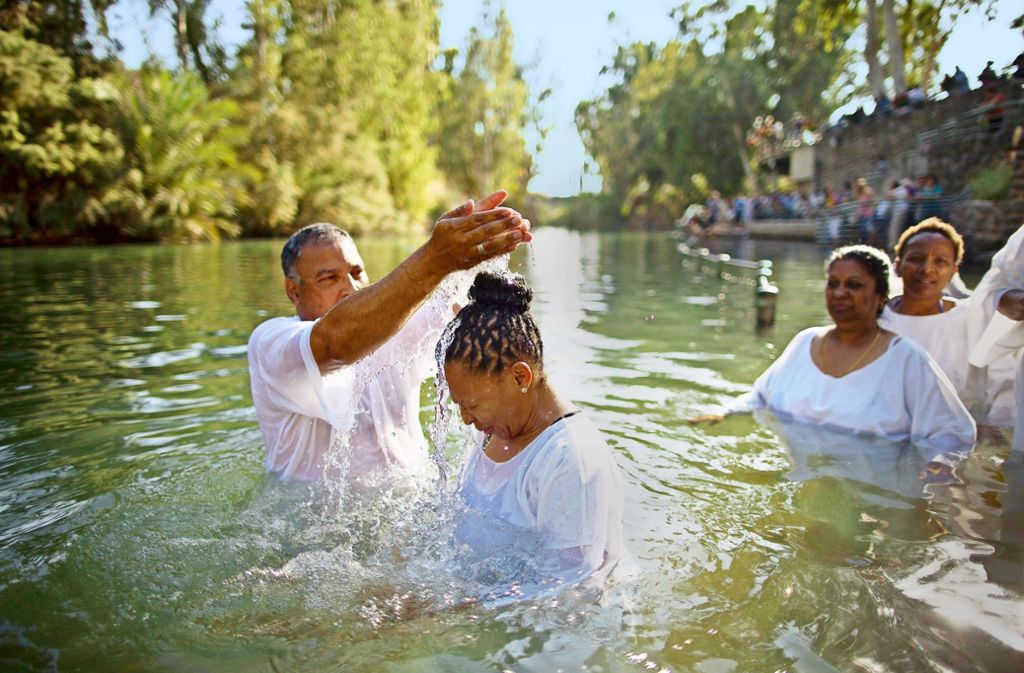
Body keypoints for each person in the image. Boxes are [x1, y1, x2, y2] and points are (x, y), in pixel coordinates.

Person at [247, 191, 532, 482]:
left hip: (413, 506)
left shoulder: (393, 323)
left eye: (357, 274)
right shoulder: (271, 344)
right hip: (304, 520)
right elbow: (335, 343)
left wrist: (471, 255)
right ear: (293, 291)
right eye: (329, 278)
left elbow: (458, 308)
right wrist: (435, 259)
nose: (350, 287)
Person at [693, 245, 976, 480]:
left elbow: (953, 433)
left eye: (854, 285)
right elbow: (760, 396)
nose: (840, 293)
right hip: (801, 478)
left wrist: (939, 465)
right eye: (833, 284)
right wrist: (725, 413)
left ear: (880, 297)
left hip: (876, 491)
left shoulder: (906, 359)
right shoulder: (805, 342)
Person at [441, 272, 625, 586]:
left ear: (520, 378)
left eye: (471, 405)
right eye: (459, 404)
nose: (466, 419)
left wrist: (449, 608)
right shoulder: (494, 429)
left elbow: (570, 587)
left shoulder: (570, 459)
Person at [881, 219, 1024, 429]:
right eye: (916, 259)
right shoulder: (873, 320)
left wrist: (988, 430)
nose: (927, 269)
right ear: (898, 266)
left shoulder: (974, 320)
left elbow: (1001, 384)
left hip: (954, 436)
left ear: (954, 271)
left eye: (940, 261)